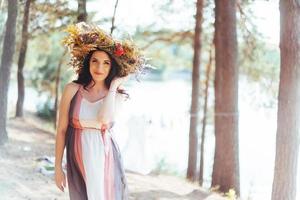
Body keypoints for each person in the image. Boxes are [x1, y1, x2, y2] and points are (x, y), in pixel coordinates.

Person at [54, 22, 148, 200]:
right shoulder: (72, 89)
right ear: (87, 63)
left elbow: (103, 119)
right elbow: (61, 130)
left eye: (106, 63)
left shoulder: (117, 96)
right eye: (95, 61)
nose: (99, 68)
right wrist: (58, 167)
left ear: (112, 67)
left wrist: (113, 86)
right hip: (78, 153)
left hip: (105, 156)